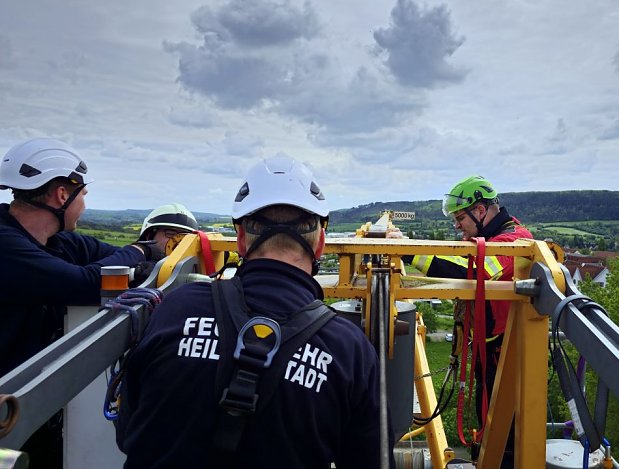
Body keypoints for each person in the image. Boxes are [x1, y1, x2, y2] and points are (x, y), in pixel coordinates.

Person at [116, 156, 394, 468]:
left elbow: (127, 433)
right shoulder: (349, 350)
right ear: (319, 246)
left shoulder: (177, 308)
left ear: (241, 240)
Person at [0, 137, 165, 467]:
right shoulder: (6, 245)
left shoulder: (54, 241)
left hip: (30, 400)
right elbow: (87, 283)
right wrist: (142, 250)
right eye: (83, 194)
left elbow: (107, 259)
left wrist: (140, 257)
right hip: (9, 406)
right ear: (63, 194)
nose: (84, 205)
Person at [399, 175, 532, 466]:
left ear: (481, 211)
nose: (457, 225)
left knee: (505, 432)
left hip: (507, 357)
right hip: (493, 351)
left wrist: (406, 249)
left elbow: (470, 270)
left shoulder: (515, 242)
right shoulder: (495, 238)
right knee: (488, 421)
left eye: (460, 218)